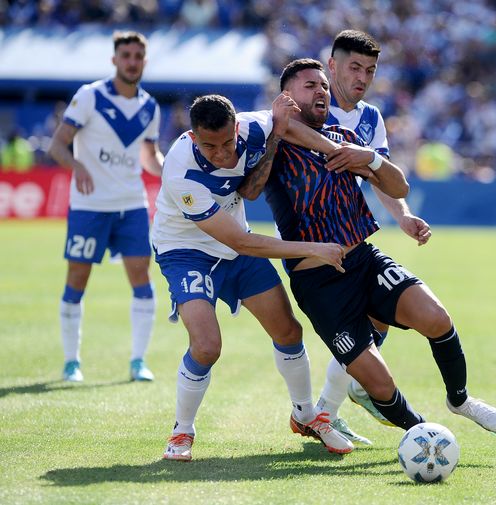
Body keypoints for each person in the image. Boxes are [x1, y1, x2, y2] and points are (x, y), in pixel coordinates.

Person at [264, 58, 496, 436]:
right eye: (310, 85)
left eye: (324, 86)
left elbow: (399, 187)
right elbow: (279, 137)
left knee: (436, 317)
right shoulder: (270, 138)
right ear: (287, 95)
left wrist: (371, 157)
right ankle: (424, 434)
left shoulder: (343, 137)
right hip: (320, 286)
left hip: (363, 261)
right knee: (378, 384)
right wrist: (288, 130)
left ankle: (459, 399)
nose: (321, 92)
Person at [152, 93, 353, 461]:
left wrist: (335, 151)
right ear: (194, 138)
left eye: (229, 141)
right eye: (210, 146)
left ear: (237, 127)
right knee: (207, 346)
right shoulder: (182, 174)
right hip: (186, 252)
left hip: (236, 248)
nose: (223, 153)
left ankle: (305, 415)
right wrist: (313, 248)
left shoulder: (254, 125)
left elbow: (288, 126)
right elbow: (241, 241)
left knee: (289, 331)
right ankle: (182, 431)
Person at [317, 29, 432, 445]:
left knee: (377, 316)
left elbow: (381, 174)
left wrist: (402, 215)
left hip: (351, 238)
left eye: (369, 70)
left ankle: (325, 411)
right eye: (354, 67)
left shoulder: (371, 118)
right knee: (291, 332)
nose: (362, 77)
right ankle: (319, 410)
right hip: (310, 243)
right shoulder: (310, 109)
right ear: (332, 66)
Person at [47, 31, 163, 382]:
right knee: (77, 279)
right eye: (126, 55)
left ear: (144, 60)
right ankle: (71, 362)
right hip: (89, 206)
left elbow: (149, 156)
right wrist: (77, 165)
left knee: (141, 278)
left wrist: (171, 172)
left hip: (131, 204)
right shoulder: (90, 96)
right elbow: (57, 146)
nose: (132, 61)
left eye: (137, 56)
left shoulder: (149, 107)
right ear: (114, 60)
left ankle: (138, 362)